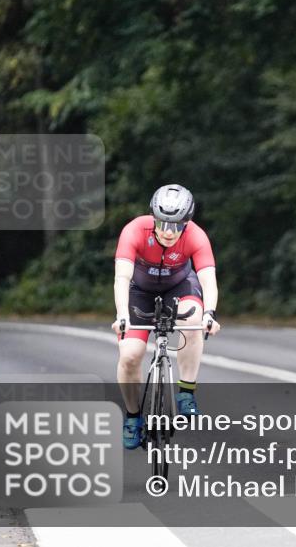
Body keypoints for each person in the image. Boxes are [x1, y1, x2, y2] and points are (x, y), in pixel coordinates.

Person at [111, 184, 221, 449]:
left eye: (177, 225)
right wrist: (122, 315)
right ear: (154, 218)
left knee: (193, 321)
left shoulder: (196, 236)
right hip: (140, 291)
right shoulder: (135, 230)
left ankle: (186, 393)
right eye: (163, 224)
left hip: (179, 287)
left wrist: (209, 314)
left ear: (187, 222)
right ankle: (133, 416)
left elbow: (208, 280)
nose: (169, 232)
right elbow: (122, 277)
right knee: (129, 356)